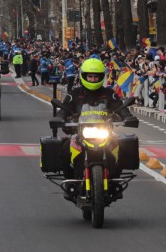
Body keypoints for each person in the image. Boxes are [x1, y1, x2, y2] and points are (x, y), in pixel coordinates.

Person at [57, 58, 137, 186]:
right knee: (65, 149)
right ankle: (70, 182)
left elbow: (120, 107)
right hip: (80, 133)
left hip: (105, 132)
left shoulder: (110, 94)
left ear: (101, 77)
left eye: (95, 77)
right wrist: (60, 118)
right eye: (90, 76)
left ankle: (115, 180)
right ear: (84, 76)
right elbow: (64, 109)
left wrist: (127, 117)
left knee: (121, 148)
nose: (93, 79)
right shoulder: (74, 94)